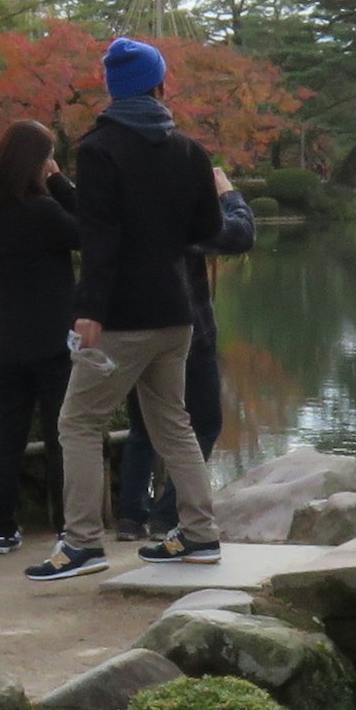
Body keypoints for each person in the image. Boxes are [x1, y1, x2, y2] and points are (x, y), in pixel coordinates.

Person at [29, 38, 227, 579]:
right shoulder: (190, 151)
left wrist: (88, 308)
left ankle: (83, 544)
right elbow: (208, 231)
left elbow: (101, 237)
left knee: (78, 421)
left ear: (114, 90)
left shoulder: (101, 150)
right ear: (160, 86)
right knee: (174, 425)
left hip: (122, 315)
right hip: (178, 313)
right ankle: (200, 534)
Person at [113, 160, 255, 537]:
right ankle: (168, 513)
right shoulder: (182, 216)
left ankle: (130, 517)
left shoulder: (122, 210)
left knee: (142, 428)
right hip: (188, 334)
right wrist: (227, 192)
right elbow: (241, 235)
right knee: (205, 424)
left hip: (134, 331)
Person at [0, 119, 83, 552]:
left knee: (7, 437)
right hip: (52, 339)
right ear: (37, 163)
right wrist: (62, 184)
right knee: (61, 435)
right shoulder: (45, 211)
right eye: (49, 157)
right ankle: (66, 526)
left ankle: (0, 528)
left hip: (2, 337)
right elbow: (88, 232)